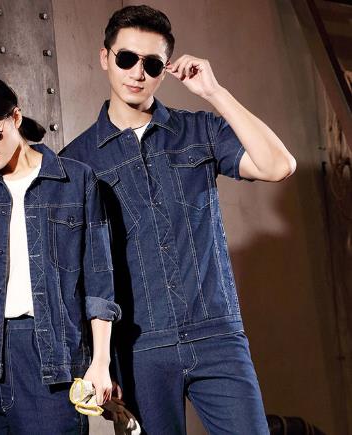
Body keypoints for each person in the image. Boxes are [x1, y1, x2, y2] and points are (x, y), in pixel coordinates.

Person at [60, 5, 296, 434]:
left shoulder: (199, 131)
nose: (137, 73)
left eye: (151, 64)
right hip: (139, 349)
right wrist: (98, 362)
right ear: (105, 57)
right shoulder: (76, 162)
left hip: (216, 335)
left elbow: (279, 165)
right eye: (126, 58)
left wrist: (214, 92)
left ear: (165, 69)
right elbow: (80, 275)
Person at [0, 75, 121, 434]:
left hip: (48, 360)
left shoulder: (75, 181)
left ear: (15, 117)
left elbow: (99, 282)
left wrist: (101, 362)